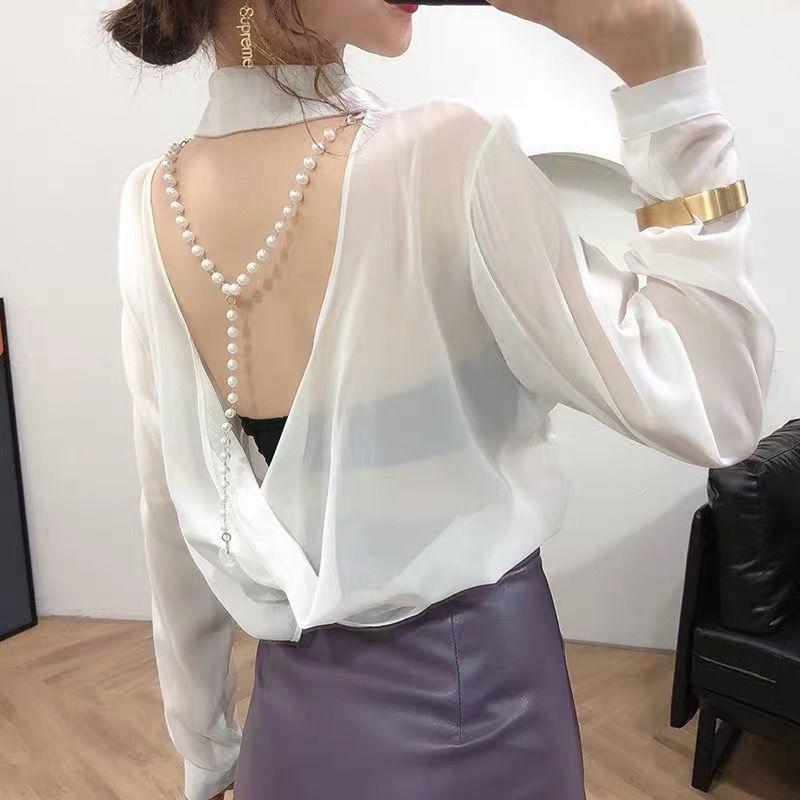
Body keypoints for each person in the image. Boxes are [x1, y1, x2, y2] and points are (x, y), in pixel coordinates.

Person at [105, 1, 775, 798]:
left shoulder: (150, 204)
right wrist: (667, 76)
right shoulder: (447, 157)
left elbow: (170, 515)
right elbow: (715, 397)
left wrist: (207, 749)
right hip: (481, 713)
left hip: (288, 737)